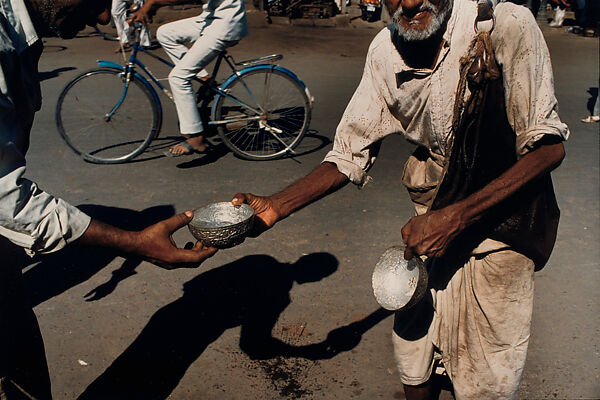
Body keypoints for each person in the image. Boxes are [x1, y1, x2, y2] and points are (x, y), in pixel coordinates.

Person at [231, 0, 569, 398]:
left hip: (499, 231)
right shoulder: (383, 51)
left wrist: (457, 218)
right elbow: (348, 152)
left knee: (485, 380)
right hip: (429, 226)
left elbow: (547, 148)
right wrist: (276, 206)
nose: (408, 2)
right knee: (414, 357)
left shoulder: (504, 24)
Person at [0, 1, 217, 398]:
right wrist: (134, 243)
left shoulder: (23, 36)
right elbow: (6, 198)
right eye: (101, 2)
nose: (104, 18)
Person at [131, 0, 248, 156]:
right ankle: (204, 79)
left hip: (225, 24)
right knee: (165, 33)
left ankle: (196, 138)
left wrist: (153, 3)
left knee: (178, 78)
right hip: (211, 18)